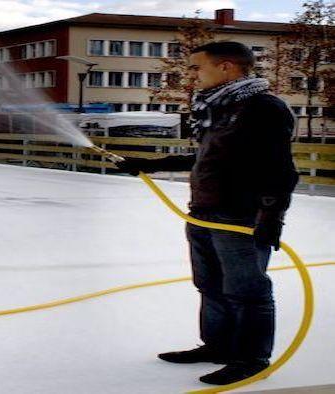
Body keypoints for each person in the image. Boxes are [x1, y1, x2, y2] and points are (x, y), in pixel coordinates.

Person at [117, 41, 298, 385]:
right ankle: (217, 345)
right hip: (203, 212)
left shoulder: (263, 108)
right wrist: (148, 165)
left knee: (247, 290)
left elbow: (282, 170)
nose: (193, 75)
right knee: (210, 285)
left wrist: (271, 219)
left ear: (227, 67)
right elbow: (206, 158)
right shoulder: (218, 107)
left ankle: (251, 358)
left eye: (197, 67)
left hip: (240, 217)